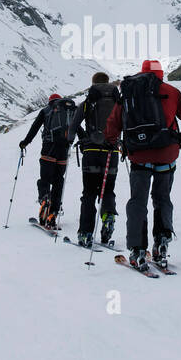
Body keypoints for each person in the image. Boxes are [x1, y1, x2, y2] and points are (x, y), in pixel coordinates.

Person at [105, 60, 181, 271]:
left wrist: (114, 142)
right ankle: (162, 245)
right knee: (162, 198)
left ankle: (137, 250)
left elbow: (112, 125)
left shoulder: (129, 93)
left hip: (138, 156)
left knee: (138, 201)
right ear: (161, 74)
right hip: (166, 154)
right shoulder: (172, 91)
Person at [69, 72, 122, 247]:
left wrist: (75, 139)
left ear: (93, 84)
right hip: (111, 152)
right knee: (107, 190)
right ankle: (108, 217)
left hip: (91, 150)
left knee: (89, 193)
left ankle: (85, 233)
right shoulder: (118, 102)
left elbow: (74, 125)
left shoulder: (88, 102)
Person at [19, 93, 76, 230]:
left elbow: (35, 127)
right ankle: (53, 213)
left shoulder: (46, 111)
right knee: (58, 181)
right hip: (63, 150)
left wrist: (25, 142)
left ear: (50, 101)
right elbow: (77, 128)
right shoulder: (69, 111)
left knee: (44, 179)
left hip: (48, 149)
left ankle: (45, 199)